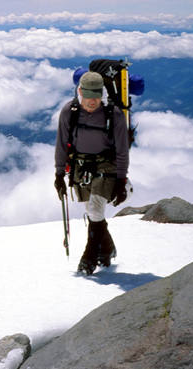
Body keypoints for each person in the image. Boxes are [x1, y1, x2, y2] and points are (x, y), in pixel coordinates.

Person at [54, 71, 129, 275]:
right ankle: (106, 249)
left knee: (96, 210)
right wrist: (59, 175)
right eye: (88, 96)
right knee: (92, 212)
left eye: (96, 96)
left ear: (102, 95)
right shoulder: (70, 111)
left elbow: (122, 150)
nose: (92, 101)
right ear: (80, 93)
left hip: (107, 167)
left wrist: (121, 180)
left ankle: (89, 257)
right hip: (81, 167)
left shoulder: (113, 115)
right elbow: (61, 143)